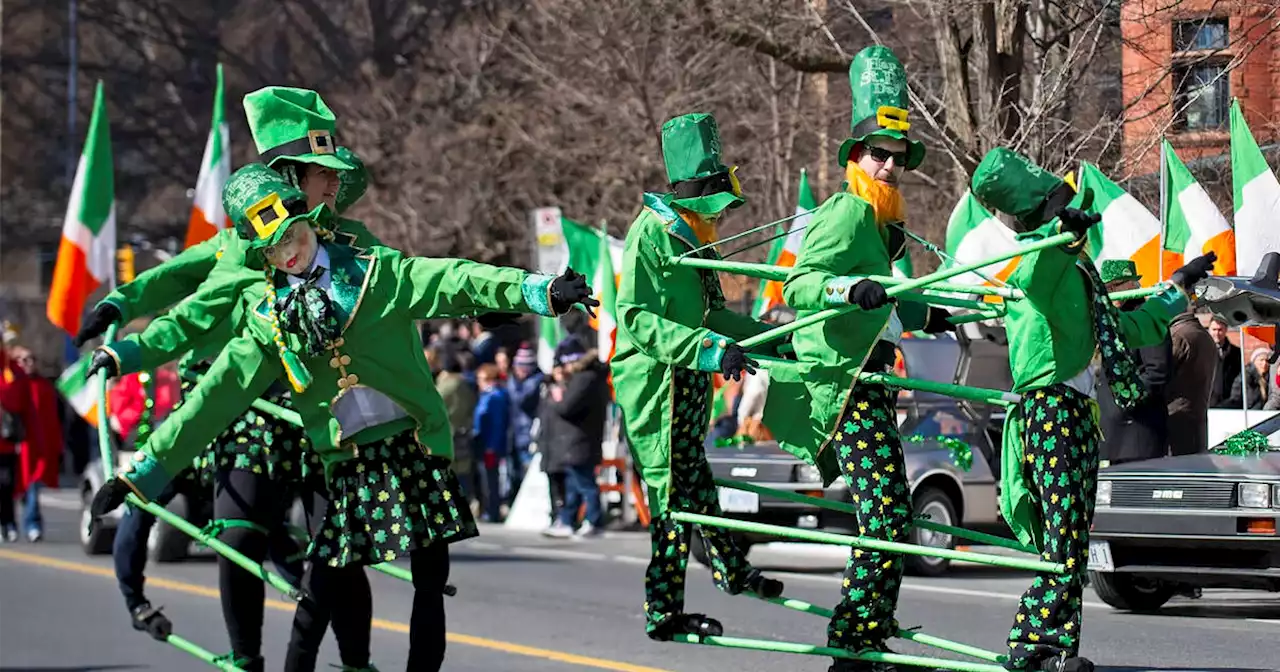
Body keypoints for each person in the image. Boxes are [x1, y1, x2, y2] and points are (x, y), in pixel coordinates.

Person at [87, 163, 597, 672]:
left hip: (415, 443)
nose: (290, 250)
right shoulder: (269, 318)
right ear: (260, 255)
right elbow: (215, 396)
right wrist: (143, 474)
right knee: (322, 585)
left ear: (311, 221)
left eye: (294, 233)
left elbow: (453, 278)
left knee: (429, 579)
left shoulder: (376, 271)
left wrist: (539, 291)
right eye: (273, 248)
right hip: (350, 461)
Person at [968, 146, 1215, 672]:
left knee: (1073, 539)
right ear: (1045, 212)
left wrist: (1179, 289)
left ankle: (1055, 649)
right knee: (1061, 536)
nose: (1071, 205)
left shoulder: (1075, 269)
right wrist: (1064, 238)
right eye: (1061, 200)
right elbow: (1034, 274)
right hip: (1051, 409)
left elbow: (1126, 329)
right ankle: (1034, 647)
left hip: (1078, 412)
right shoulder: (1038, 261)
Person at [760, 46, 952, 672]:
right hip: (842, 388)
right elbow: (800, 285)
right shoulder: (845, 211)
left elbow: (887, 302)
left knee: (889, 510)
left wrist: (930, 314)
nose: (891, 166)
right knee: (887, 510)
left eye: (899, 157)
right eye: (879, 154)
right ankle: (854, 643)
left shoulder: (882, 221)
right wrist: (848, 289)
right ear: (854, 157)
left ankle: (865, 636)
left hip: (870, 382)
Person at [611, 112, 784, 641]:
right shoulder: (652, 234)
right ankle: (663, 611)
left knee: (696, 480)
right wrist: (710, 350)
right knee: (669, 496)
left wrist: (770, 337)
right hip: (656, 385)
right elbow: (636, 318)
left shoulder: (696, 235)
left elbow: (712, 315)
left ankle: (730, 568)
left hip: (688, 377)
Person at [1095, 261, 1172, 466]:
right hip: (1114, 433)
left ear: (1131, 285)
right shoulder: (1110, 319)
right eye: (1107, 287)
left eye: (1115, 286)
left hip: (1137, 432)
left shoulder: (1144, 318)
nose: (1110, 292)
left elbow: (1156, 372)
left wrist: (1126, 401)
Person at [540, 336, 608, 538]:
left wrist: (556, 397)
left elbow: (566, 407)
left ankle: (594, 521)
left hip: (579, 441)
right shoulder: (593, 377)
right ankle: (567, 521)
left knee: (585, 484)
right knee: (574, 485)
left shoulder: (584, 379)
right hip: (580, 440)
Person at [5, 346, 63, 541]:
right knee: (10, 488)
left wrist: (57, 446)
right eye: (23, 360)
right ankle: (9, 524)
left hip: (38, 447)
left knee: (33, 487)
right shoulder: (12, 383)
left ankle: (33, 524)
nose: (28, 363)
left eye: (31, 359)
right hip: (17, 446)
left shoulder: (44, 386)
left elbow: (53, 420)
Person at [1166, 308, 1217, 455]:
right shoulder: (1203, 335)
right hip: (1196, 418)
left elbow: (1160, 373)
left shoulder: (1179, 335)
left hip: (1177, 420)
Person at [435, 349, 477, 510]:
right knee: (463, 471)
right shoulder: (466, 386)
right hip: (463, 432)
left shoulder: (444, 387)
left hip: (445, 435)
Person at [0, 341, 31, 542]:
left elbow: (21, 403)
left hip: (7, 442)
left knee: (6, 486)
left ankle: (8, 523)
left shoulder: (13, 372)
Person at [505, 343, 543, 503]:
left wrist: (513, 379)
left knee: (528, 475)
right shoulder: (516, 382)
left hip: (528, 435)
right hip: (514, 435)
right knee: (513, 474)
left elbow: (520, 399)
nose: (519, 370)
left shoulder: (535, 381)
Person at [473, 363, 510, 522]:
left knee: (491, 480)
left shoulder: (494, 397)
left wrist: (491, 446)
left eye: (481, 379)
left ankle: (492, 510)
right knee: (487, 478)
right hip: (485, 442)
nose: (478, 382)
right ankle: (489, 509)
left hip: (489, 443)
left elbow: (496, 423)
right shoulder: (490, 395)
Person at [1207, 314, 1242, 408]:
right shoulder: (1202, 351)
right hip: (1207, 399)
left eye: (1220, 330)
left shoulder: (1236, 352)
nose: (1217, 333)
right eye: (1214, 329)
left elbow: (1239, 376)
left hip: (1229, 399)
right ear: (1209, 330)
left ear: (1226, 330)